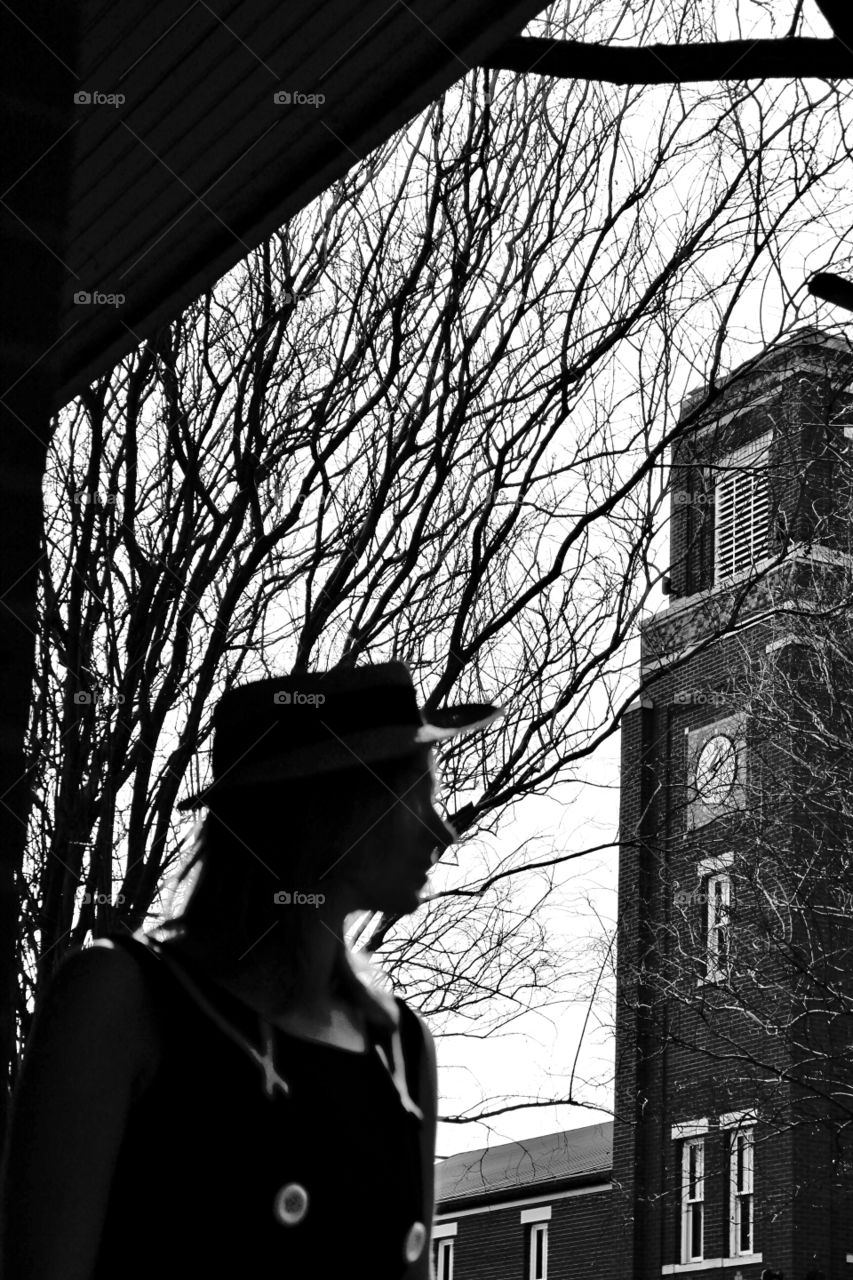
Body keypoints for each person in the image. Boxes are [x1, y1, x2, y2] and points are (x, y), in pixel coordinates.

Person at [0, 660, 503, 1280]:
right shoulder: (119, 1000)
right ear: (334, 808)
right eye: (416, 794)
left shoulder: (400, 1049)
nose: (442, 828)